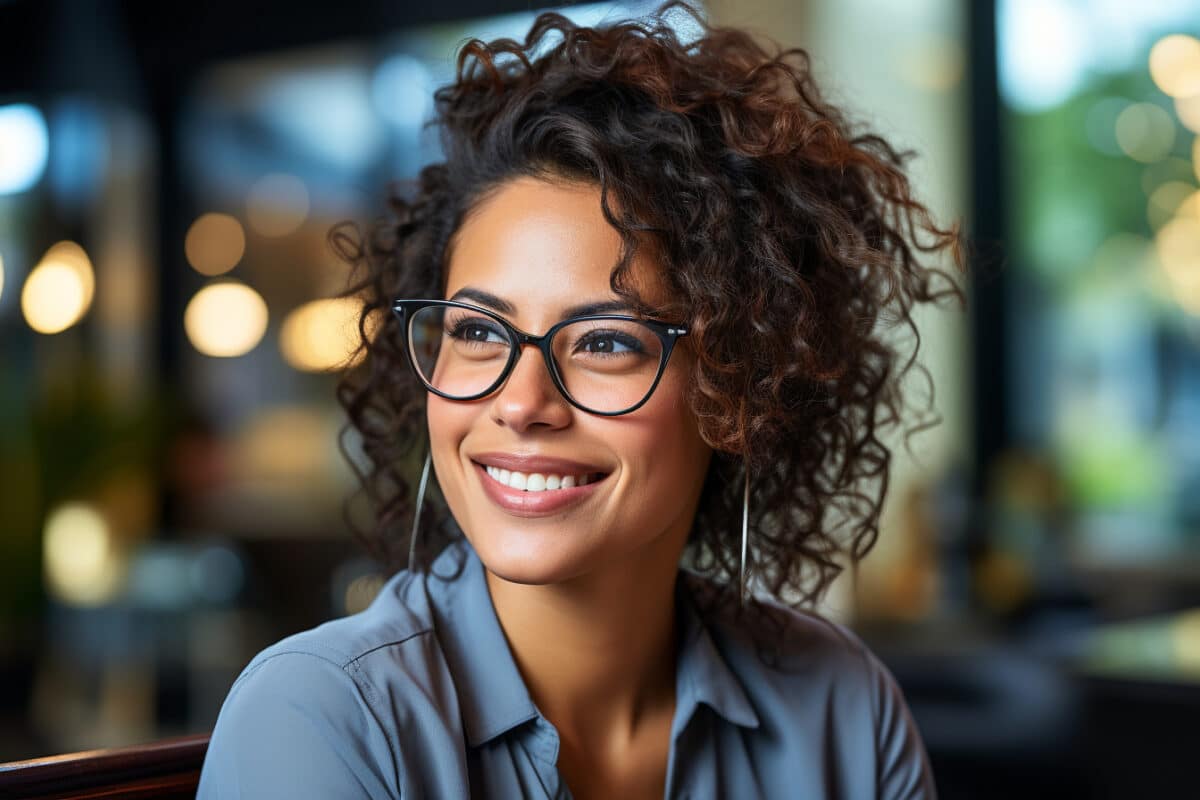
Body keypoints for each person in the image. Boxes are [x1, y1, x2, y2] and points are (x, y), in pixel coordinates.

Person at [198, 2, 962, 797]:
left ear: (741, 385)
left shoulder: (843, 711)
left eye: (605, 342)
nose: (522, 403)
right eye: (479, 332)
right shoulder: (324, 719)